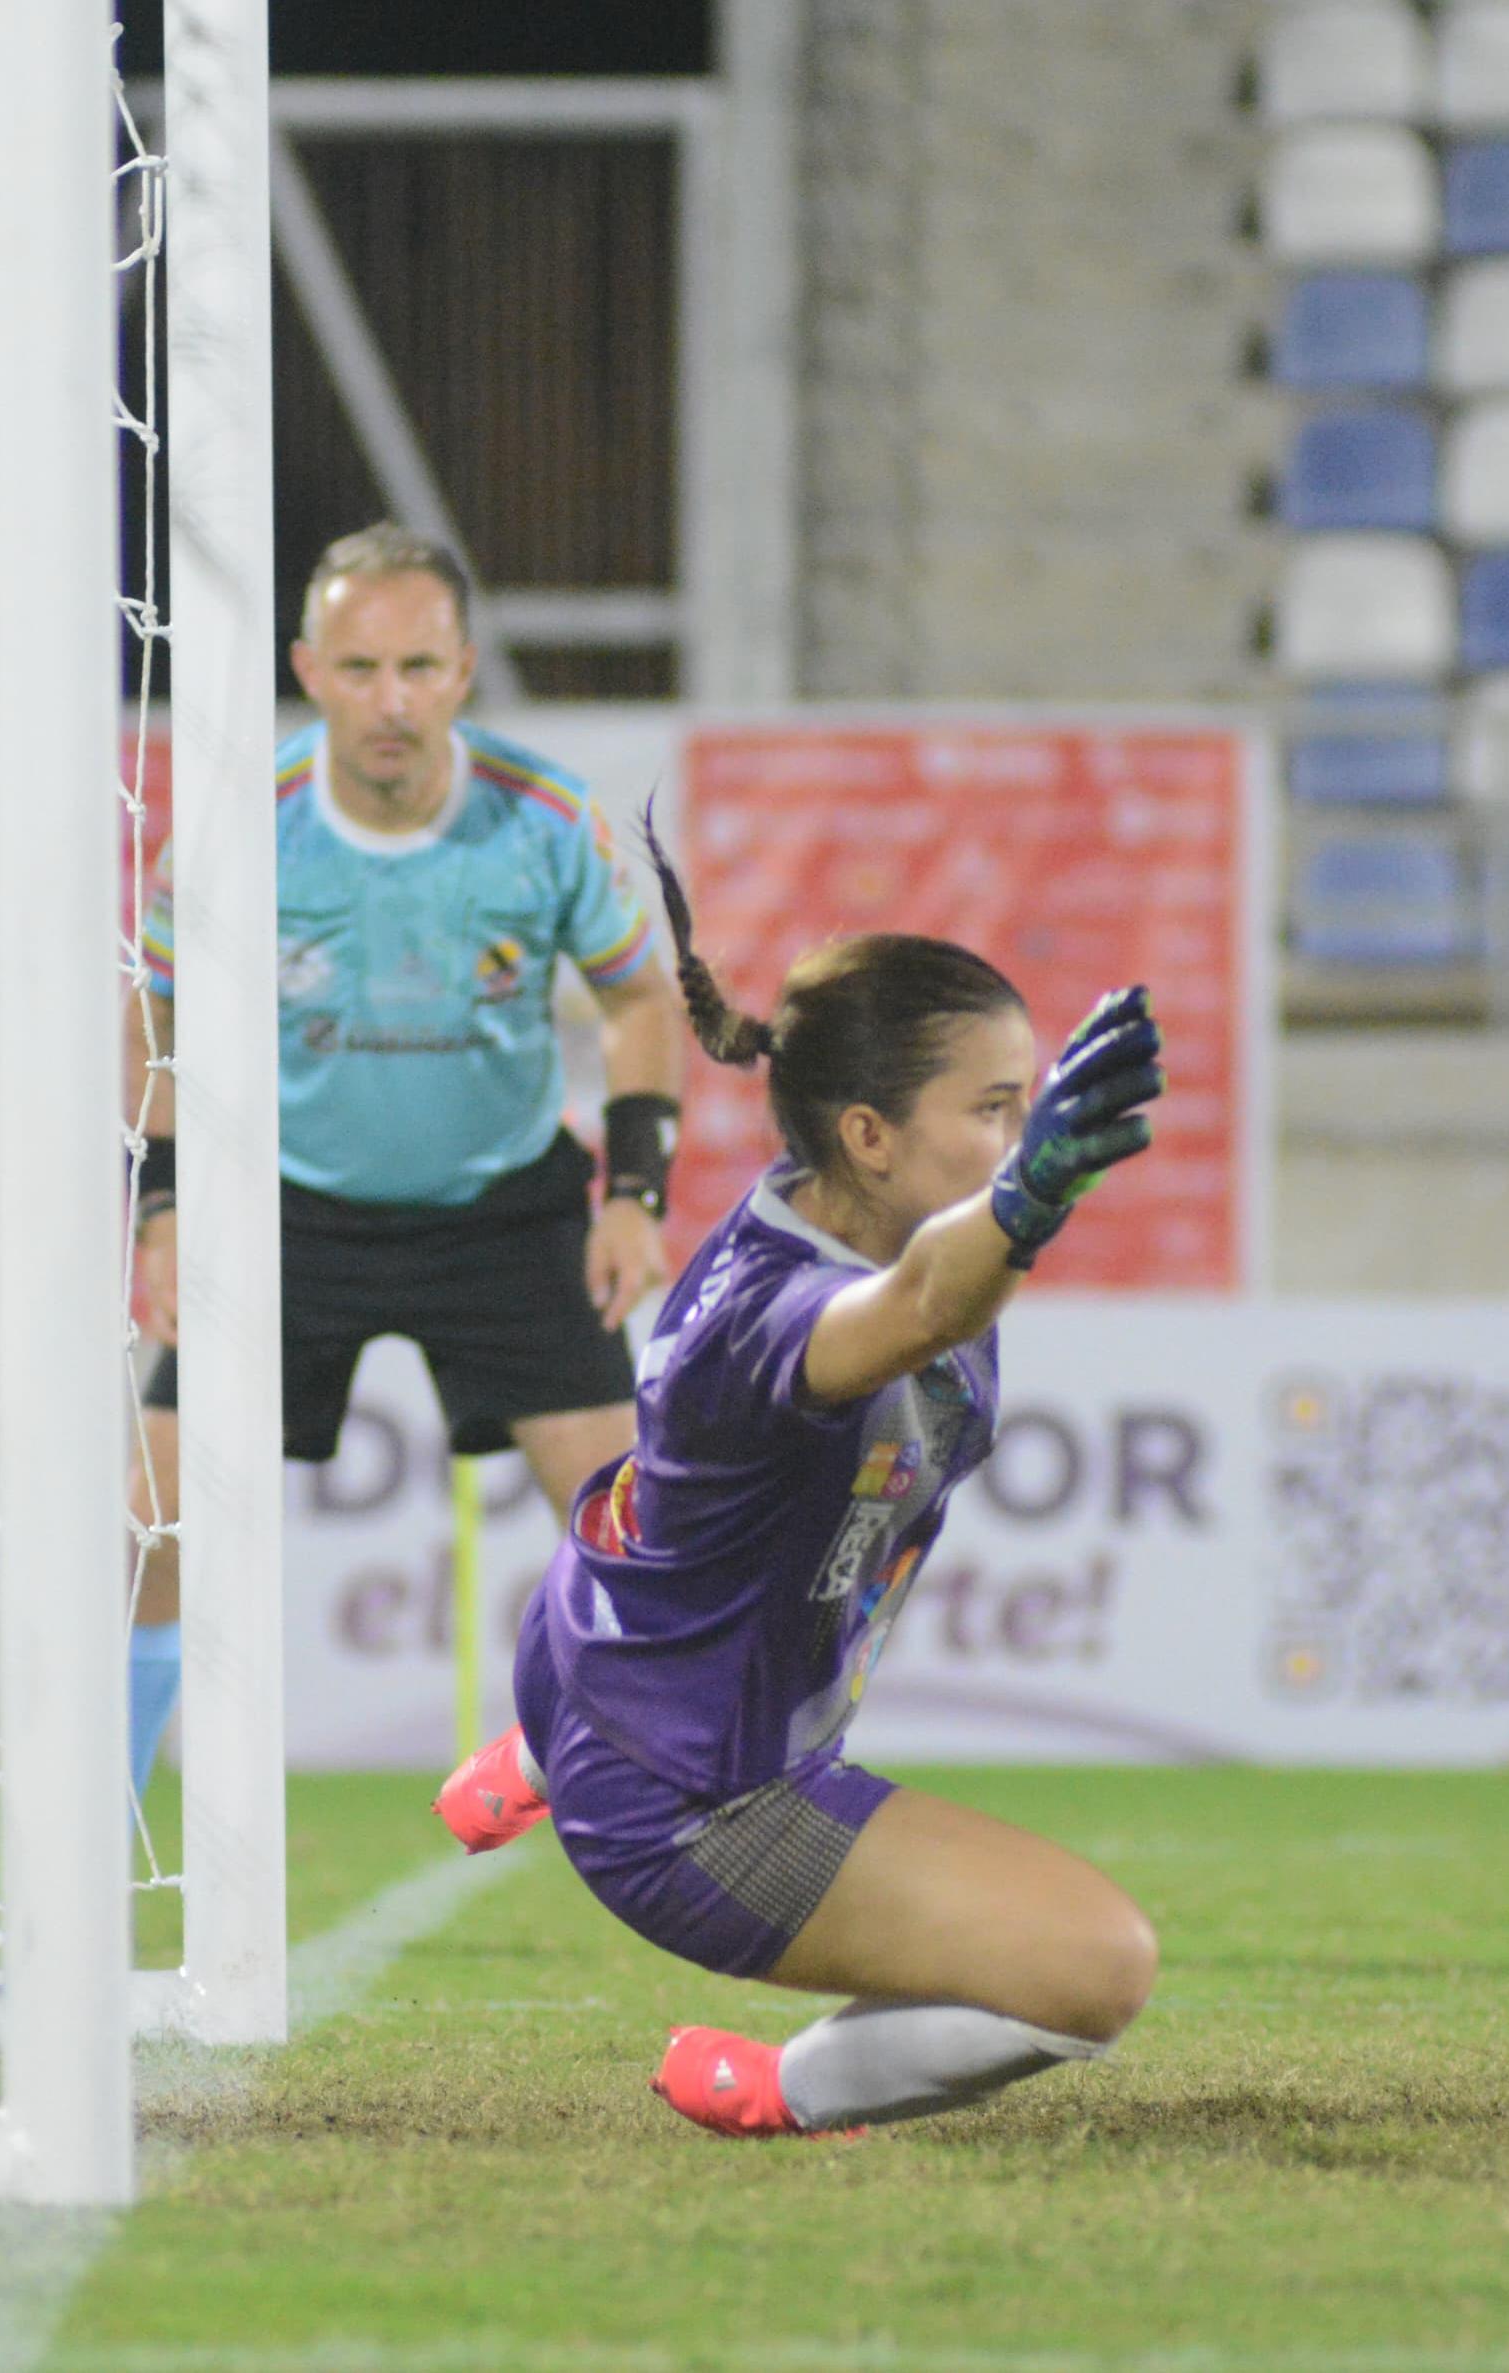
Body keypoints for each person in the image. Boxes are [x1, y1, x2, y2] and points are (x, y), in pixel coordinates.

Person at [430, 830, 1169, 2140]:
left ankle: (540, 1749)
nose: (1023, 1131)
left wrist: (1010, 1191)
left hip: (609, 1647)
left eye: (1028, 1099)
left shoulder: (849, 1213)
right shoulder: (795, 1312)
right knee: (1094, 1969)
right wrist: (1035, 1193)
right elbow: (927, 1303)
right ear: (869, 1133)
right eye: (993, 1110)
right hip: (693, 1804)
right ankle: (777, 2087)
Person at [124, 524, 688, 1790]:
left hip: (502, 1210)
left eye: (419, 668)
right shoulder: (237, 824)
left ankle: (667, 1809)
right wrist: (160, 1204)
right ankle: (100, 1826)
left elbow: (640, 1003)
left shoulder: (541, 820)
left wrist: (633, 1194)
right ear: (307, 669)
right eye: (360, 667)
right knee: (147, 1523)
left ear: (463, 672)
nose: (391, 702)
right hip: (290, 1215)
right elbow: (151, 1010)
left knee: (633, 1534)